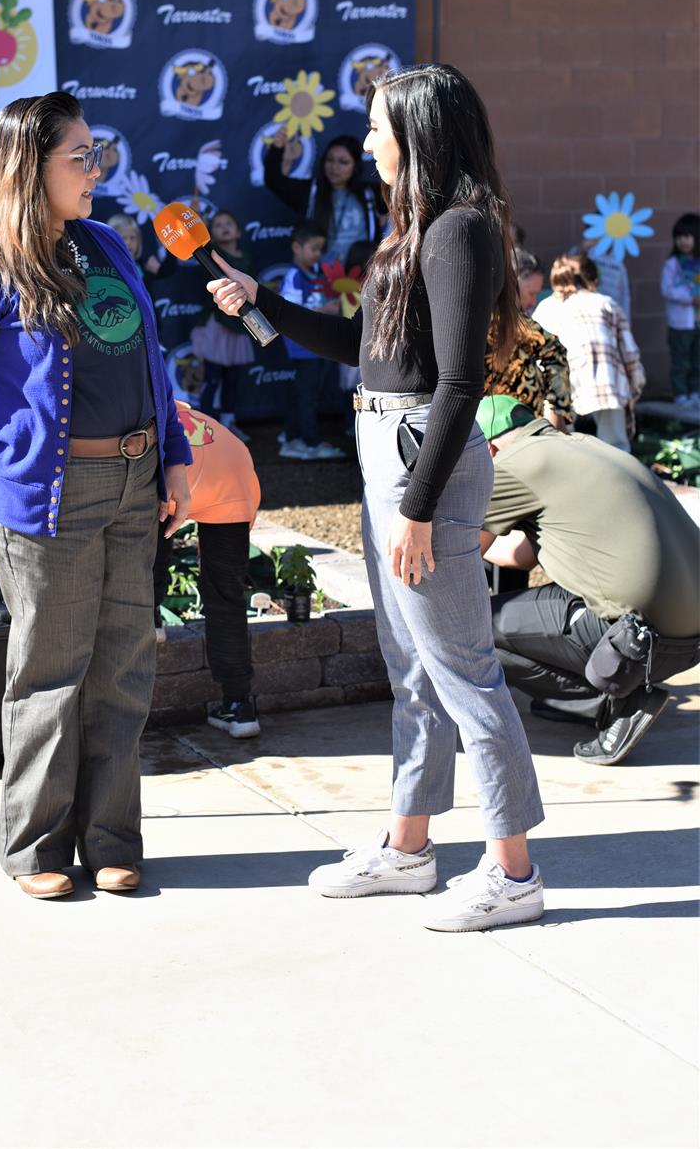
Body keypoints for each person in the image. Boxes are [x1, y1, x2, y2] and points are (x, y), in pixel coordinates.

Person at [208, 63, 546, 933]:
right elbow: (366, 346)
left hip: (417, 461)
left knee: (465, 672)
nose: (363, 145)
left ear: (418, 134)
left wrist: (421, 509)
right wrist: (259, 307)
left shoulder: (461, 229)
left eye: (376, 129)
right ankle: (409, 851)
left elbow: (462, 381)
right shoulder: (416, 230)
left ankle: (514, 873)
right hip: (386, 450)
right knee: (415, 674)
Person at [0, 92, 191, 901]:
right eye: (81, 155)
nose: (95, 168)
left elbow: (154, 362)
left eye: (95, 151)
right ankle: (36, 848)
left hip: (134, 484)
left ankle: (111, 839)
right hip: (47, 497)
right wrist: (5, 457)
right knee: (49, 673)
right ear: (29, 166)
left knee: (123, 670)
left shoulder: (105, 243)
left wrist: (172, 455)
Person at [476, 395, 700, 765]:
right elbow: (523, 553)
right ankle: (586, 700)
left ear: (487, 447)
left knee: (475, 627)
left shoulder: (514, 464)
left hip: (640, 638)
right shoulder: (580, 446)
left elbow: (461, 546)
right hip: (690, 640)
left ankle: (617, 702)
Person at [154, 400, 262, 738]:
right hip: (233, 467)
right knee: (225, 594)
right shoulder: (170, 402)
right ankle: (239, 706)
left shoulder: (129, 408)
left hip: (174, 471)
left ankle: (149, 615)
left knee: (149, 537)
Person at [536, 253, 644, 450]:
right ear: (593, 281)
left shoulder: (547, 307)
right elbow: (630, 353)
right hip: (608, 380)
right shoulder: (606, 303)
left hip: (563, 382)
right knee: (616, 444)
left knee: (563, 443)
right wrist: (635, 385)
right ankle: (619, 475)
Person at [484, 250, 573, 432]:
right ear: (513, 282)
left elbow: (555, 351)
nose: (533, 302)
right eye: (531, 293)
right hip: (494, 421)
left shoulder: (513, 321)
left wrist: (556, 410)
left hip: (518, 421)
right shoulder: (499, 317)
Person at [277, 221, 344, 460]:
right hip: (302, 347)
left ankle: (292, 436)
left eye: (320, 249)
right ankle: (308, 442)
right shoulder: (294, 276)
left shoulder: (316, 273)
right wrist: (324, 309)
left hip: (314, 346)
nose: (318, 254)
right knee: (306, 396)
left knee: (306, 394)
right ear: (297, 247)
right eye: (313, 248)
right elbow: (290, 311)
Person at [263, 132, 380, 264]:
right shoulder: (310, 191)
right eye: (330, 160)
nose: (334, 167)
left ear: (355, 167)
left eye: (343, 162)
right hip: (318, 277)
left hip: (362, 275)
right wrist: (277, 149)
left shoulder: (370, 193)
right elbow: (274, 181)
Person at [188, 209, 254, 440]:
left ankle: (228, 425)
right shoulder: (210, 255)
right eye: (218, 225)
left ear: (238, 230)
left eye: (229, 223)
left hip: (237, 325)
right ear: (211, 233)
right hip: (216, 326)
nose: (225, 227)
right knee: (212, 379)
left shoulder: (246, 257)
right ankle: (203, 429)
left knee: (232, 380)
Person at [660, 213, 700, 407]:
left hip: (697, 321)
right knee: (681, 361)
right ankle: (681, 395)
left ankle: (695, 393)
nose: (683, 241)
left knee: (697, 359)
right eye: (679, 237)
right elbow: (667, 289)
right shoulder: (672, 264)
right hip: (680, 323)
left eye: (688, 236)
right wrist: (690, 299)